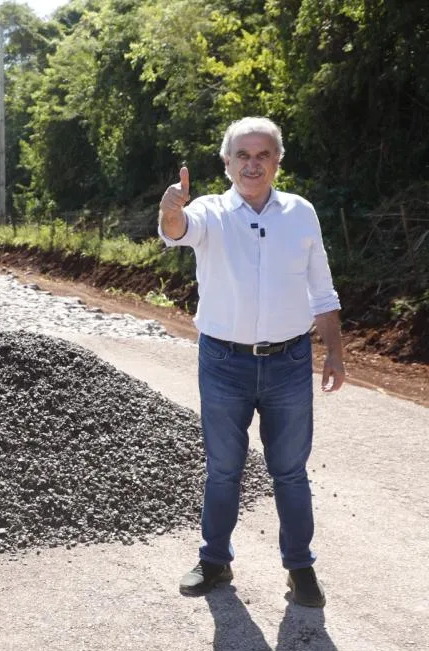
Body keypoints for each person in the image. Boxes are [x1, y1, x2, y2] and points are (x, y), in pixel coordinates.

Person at [158, 116, 346, 608]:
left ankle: (300, 568)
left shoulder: (301, 213)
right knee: (223, 468)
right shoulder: (209, 212)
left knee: (290, 470)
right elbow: (177, 231)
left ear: (278, 161)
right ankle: (215, 560)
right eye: (242, 155)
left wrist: (336, 352)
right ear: (226, 163)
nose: (252, 164)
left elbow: (321, 287)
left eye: (263, 154)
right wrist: (170, 209)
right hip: (223, 362)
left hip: (288, 361)